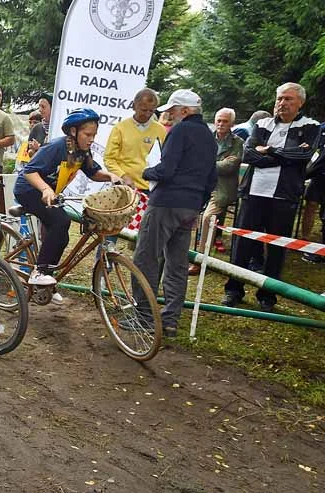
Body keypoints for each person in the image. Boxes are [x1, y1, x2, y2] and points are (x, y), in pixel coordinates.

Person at [223, 83, 320, 311]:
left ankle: (267, 295)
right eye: (279, 99)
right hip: (253, 193)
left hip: (284, 197)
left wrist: (269, 151)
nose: (282, 104)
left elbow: (305, 155)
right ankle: (233, 289)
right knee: (242, 244)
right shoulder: (262, 123)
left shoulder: (310, 126)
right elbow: (248, 153)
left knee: (277, 247)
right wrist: (282, 156)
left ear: (300, 103)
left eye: (288, 99)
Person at [131, 89, 217, 337]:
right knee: (177, 264)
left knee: (146, 257)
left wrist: (148, 173)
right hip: (191, 206)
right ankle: (170, 320)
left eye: (172, 110)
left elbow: (166, 170)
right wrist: (198, 202)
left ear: (185, 111)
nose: (168, 114)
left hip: (166, 202)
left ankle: (144, 316)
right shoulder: (209, 137)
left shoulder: (180, 130)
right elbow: (212, 177)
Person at [14, 108, 122, 297]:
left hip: (50, 194)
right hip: (29, 190)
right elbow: (29, 171)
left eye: (94, 135)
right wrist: (46, 189)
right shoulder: (57, 147)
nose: (91, 139)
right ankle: (39, 271)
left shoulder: (82, 151)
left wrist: (111, 176)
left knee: (62, 236)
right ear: (73, 131)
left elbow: (93, 173)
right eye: (88, 134)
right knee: (60, 221)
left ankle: (46, 280)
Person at [188, 108, 243, 275]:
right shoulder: (206, 136)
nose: (221, 124)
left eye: (225, 121)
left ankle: (200, 260)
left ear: (232, 123)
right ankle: (184, 254)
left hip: (222, 188)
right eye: (219, 120)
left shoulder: (237, 142)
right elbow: (195, 159)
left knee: (207, 218)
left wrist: (206, 163)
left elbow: (230, 167)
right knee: (186, 211)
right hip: (201, 185)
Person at [104, 88, 166, 193]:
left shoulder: (161, 130)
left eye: (151, 111)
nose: (147, 114)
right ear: (134, 106)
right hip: (126, 187)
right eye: (143, 110)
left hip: (151, 188)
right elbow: (109, 159)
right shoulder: (120, 128)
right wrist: (123, 176)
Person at [300, 123, 325, 263]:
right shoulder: (321, 129)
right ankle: (304, 241)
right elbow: (315, 152)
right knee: (310, 205)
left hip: (317, 171)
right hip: (317, 176)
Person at [26, 92, 53, 158]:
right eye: (39, 106)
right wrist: (33, 149)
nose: (40, 110)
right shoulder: (37, 128)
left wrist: (39, 149)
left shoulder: (60, 128)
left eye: (43, 107)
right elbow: (30, 153)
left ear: (53, 108)